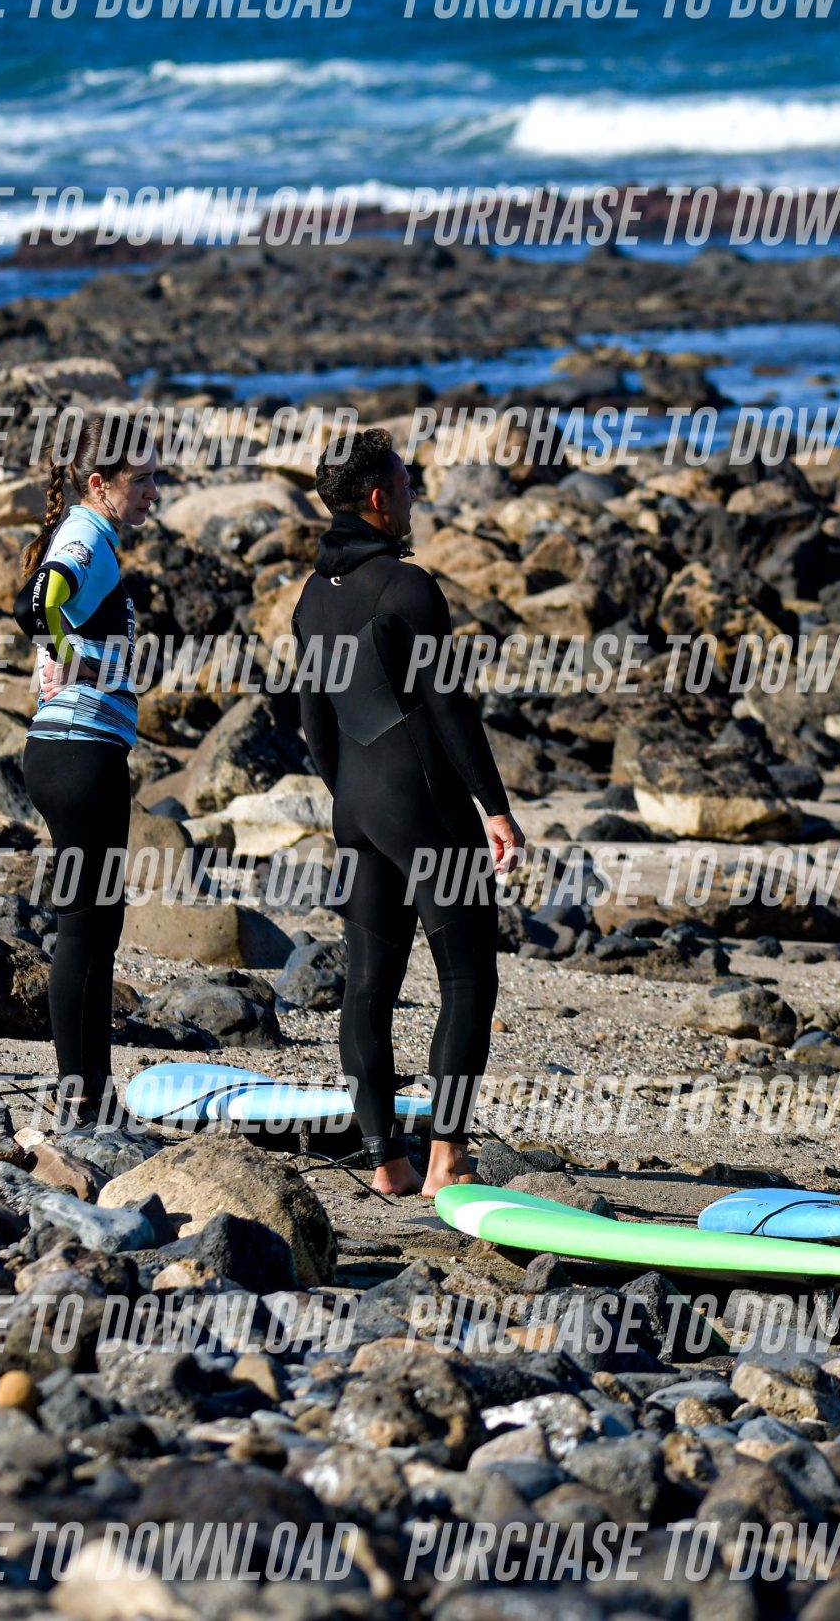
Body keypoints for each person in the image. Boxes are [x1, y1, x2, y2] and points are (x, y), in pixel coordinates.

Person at [292, 428, 522, 1197]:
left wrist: (354, 799)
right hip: (424, 806)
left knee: (368, 985)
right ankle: (446, 1155)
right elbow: (450, 708)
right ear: (378, 498)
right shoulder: (407, 588)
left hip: (358, 810)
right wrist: (495, 807)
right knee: (468, 977)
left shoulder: (311, 596)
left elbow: (316, 725)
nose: (414, 493)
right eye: (405, 482)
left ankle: (386, 1158)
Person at [21, 412, 160, 1131]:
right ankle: (82, 1097)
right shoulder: (88, 535)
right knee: (87, 926)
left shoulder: (89, 533)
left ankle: (90, 1092)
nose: (154, 493)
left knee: (95, 922)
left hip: (70, 749)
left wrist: (62, 649)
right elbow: (40, 598)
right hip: (79, 752)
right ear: (101, 483)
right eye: (145, 481)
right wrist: (61, 648)